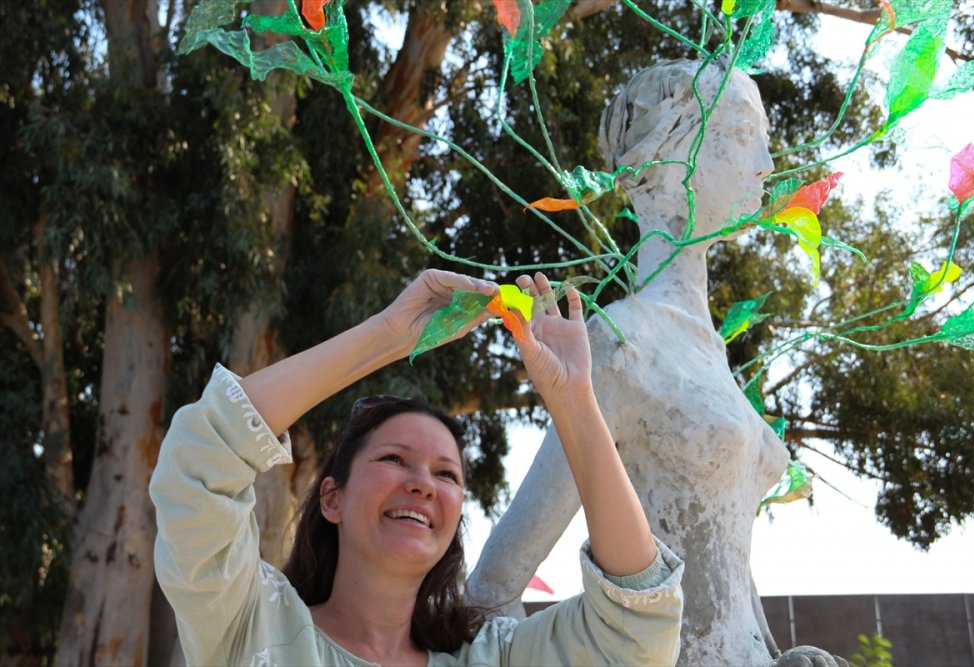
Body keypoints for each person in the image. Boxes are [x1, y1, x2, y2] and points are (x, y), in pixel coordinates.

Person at [466, 59, 829, 667]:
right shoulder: (622, 344)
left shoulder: (710, 353)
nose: (767, 165)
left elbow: (720, 566)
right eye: (742, 136)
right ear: (667, 159)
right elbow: (492, 590)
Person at [150, 269, 684, 666]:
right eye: (393, 459)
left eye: (447, 475)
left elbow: (637, 624)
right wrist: (388, 336)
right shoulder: (250, 623)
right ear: (331, 498)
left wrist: (574, 400)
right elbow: (201, 459)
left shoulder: (492, 659)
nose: (423, 485)